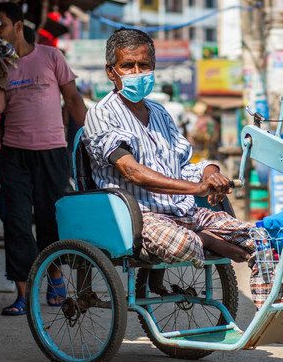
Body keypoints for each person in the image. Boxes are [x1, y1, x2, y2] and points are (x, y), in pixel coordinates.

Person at [82, 28, 254, 283]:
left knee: (257, 236)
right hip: (140, 217)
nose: (137, 73)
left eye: (144, 65)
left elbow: (181, 165)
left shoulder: (160, 113)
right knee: (183, 245)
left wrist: (210, 173)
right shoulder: (102, 113)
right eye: (128, 66)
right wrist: (196, 189)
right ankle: (205, 239)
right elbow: (132, 171)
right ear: (111, 71)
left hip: (183, 212)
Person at [0, 2, 87, 316]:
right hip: (14, 154)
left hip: (52, 152)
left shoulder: (50, 56)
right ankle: (23, 295)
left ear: (17, 25)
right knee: (15, 221)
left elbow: (73, 98)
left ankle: (55, 278)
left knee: (50, 220)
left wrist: (90, 137)